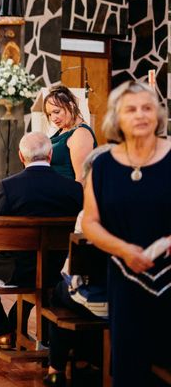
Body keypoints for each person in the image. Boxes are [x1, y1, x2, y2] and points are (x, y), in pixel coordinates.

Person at [82, 81, 171, 386]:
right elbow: (90, 223)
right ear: (117, 118)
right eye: (131, 109)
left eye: (148, 108)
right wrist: (123, 249)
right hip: (126, 275)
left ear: (158, 115)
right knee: (130, 366)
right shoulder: (103, 165)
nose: (141, 115)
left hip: (170, 273)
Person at [0, 132, 83, 349]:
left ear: (21, 156)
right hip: (60, 269)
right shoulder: (73, 188)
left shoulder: (9, 186)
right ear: (50, 155)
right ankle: (17, 328)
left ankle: (2, 332)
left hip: (19, 269)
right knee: (42, 279)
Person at [43, 145, 111, 386]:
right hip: (131, 295)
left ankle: (56, 367)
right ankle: (90, 359)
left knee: (60, 294)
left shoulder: (89, 214)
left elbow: (74, 269)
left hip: (101, 299)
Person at [43, 85, 97, 182]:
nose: (53, 118)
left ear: (71, 106)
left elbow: (82, 179)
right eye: (49, 114)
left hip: (67, 195)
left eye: (56, 112)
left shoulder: (81, 134)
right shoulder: (64, 129)